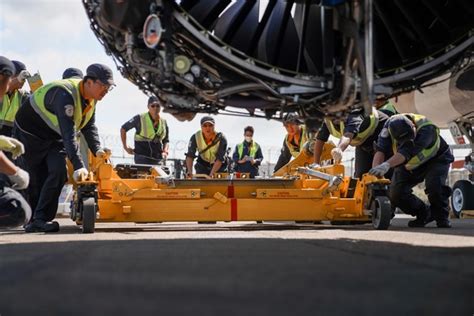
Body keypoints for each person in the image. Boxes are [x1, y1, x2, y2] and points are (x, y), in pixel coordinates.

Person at [14, 63, 114, 232]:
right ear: (89, 82)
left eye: (109, 87)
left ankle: (41, 219)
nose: (105, 90)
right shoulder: (64, 94)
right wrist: (79, 165)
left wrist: (97, 149)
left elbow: (88, 126)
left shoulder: (91, 99)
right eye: (103, 85)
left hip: (53, 136)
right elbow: (69, 133)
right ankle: (32, 220)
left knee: (59, 172)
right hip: (30, 135)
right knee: (35, 177)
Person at [369, 113, 454, 228]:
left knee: (435, 187)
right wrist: (376, 173)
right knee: (395, 194)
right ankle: (424, 213)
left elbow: (406, 152)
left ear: (413, 126)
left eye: (409, 137)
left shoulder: (427, 129)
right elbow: (380, 150)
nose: (406, 141)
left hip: (436, 159)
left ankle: (442, 217)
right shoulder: (387, 129)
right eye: (402, 140)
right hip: (407, 164)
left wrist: (387, 165)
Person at [313, 107, 393, 178]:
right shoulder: (328, 119)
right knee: (361, 176)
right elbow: (320, 139)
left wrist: (339, 149)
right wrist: (316, 164)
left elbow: (348, 135)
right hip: (364, 143)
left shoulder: (354, 114)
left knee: (381, 174)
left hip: (384, 135)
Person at [0, 56, 31, 228]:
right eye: (21, 79)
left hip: (11, 137)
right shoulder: (5, 88)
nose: (22, 83)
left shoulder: (22, 96)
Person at [120, 96, 169, 164]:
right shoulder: (139, 118)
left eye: (158, 106)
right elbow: (123, 128)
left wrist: (165, 151)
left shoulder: (164, 122)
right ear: (148, 107)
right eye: (153, 106)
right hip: (142, 158)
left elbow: (166, 140)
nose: (155, 108)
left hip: (158, 159)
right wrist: (125, 147)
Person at [0, 60, 30, 137]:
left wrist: (37, 88)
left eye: (25, 79)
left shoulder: (22, 95)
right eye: (22, 77)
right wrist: (17, 80)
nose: (23, 81)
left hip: (10, 137)